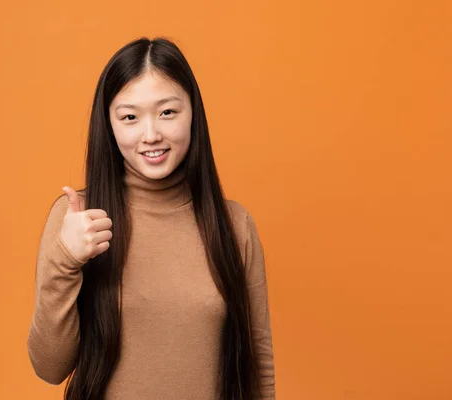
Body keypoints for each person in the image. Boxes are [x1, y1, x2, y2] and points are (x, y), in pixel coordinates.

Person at [27, 37, 276, 400]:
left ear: (193, 113)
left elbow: (258, 366)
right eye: (130, 117)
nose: (151, 135)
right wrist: (65, 261)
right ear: (109, 126)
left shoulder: (234, 226)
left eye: (167, 112)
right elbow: (49, 368)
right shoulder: (78, 220)